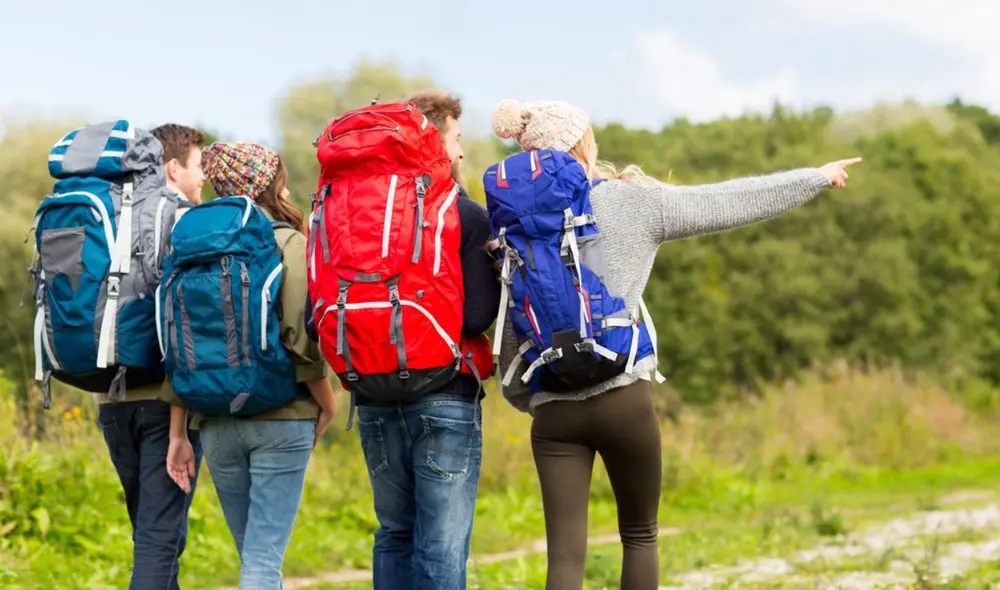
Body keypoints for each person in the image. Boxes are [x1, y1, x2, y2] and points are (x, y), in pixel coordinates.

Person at [489, 98, 861, 590]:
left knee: (564, 559)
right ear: (584, 143)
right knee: (640, 536)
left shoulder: (509, 229)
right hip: (624, 396)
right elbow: (725, 201)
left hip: (553, 408)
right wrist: (814, 177)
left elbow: (510, 330)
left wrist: (532, 400)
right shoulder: (630, 201)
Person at [163, 141, 337, 589]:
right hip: (282, 417)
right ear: (271, 182)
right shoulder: (287, 241)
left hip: (215, 421)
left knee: (253, 561)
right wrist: (328, 402)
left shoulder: (191, 243)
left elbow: (178, 345)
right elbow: (301, 336)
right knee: (262, 565)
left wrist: (179, 433)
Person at [347, 92, 500, 589]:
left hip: (370, 388)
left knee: (393, 533)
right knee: (440, 543)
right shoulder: (462, 212)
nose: (459, 152)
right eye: (455, 138)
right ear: (434, 140)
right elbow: (476, 316)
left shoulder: (353, 209)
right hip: (444, 392)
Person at [94, 123, 207, 590]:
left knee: (155, 534)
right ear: (173, 167)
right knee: (160, 540)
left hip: (109, 400)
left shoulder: (109, 214)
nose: (203, 178)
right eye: (198, 167)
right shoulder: (180, 218)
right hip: (163, 402)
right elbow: (187, 324)